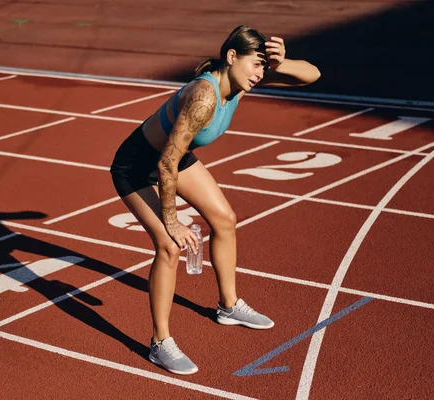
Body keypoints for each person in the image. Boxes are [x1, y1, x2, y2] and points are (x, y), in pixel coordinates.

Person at [110, 25, 320, 375]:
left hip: (176, 156)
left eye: (263, 69)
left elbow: (312, 75)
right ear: (232, 57)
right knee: (168, 246)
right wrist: (173, 221)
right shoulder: (204, 97)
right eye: (255, 65)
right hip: (138, 166)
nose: (259, 75)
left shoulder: (240, 83)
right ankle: (160, 343)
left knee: (225, 220)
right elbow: (165, 164)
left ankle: (229, 305)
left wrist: (281, 65)